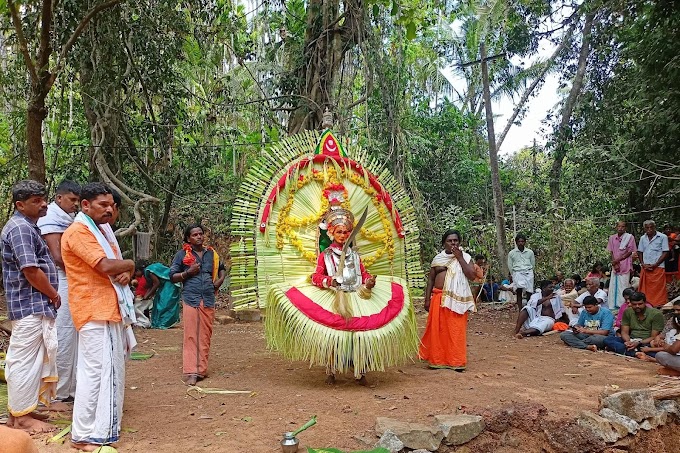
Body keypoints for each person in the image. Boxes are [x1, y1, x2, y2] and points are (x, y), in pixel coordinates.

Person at [265, 208, 418, 384]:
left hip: (357, 296)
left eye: (346, 232)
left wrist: (369, 282)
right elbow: (316, 277)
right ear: (331, 233)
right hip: (335, 297)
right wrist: (330, 282)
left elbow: (363, 273)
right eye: (339, 232)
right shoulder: (326, 255)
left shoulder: (354, 255)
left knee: (360, 333)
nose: (343, 235)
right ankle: (331, 370)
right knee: (334, 333)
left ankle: (361, 370)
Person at [61, 182, 137, 450]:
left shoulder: (101, 231)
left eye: (111, 206)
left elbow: (113, 270)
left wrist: (126, 273)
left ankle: (96, 431)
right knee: (97, 372)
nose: (109, 210)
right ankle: (86, 435)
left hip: (106, 308)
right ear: (85, 205)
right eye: (102, 205)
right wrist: (130, 263)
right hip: (94, 310)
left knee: (105, 371)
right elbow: (105, 265)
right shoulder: (79, 232)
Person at [1, 180, 61, 433]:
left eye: (43, 198)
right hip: (30, 303)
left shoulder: (27, 226)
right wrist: (53, 293)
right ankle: (21, 418)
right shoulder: (20, 229)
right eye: (36, 201)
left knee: (32, 359)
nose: (43, 204)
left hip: (32, 303)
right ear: (20, 204)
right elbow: (30, 270)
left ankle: (21, 411)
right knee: (24, 360)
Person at [36, 180, 81, 403]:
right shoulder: (51, 219)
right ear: (59, 198)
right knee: (63, 333)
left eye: (77, 200)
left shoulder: (70, 220)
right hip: (61, 279)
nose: (75, 204)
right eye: (71, 200)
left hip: (72, 278)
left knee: (74, 334)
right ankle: (60, 391)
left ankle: (71, 388)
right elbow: (58, 257)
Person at [169, 224, 226, 386]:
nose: (199, 237)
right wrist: (188, 273)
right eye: (195, 235)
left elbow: (222, 269)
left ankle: (201, 369)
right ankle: (191, 372)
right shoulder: (182, 255)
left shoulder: (211, 254)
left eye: (201, 234)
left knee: (206, 334)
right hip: (191, 297)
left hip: (208, 297)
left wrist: (219, 282)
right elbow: (172, 276)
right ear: (188, 238)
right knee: (191, 334)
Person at [419, 230, 478, 371]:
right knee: (438, 330)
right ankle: (437, 360)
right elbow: (431, 279)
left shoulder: (466, 257)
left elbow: (471, 275)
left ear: (459, 242)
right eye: (450, 241)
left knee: (455, 329)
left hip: (457, 299)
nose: (453, 243)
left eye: (456, 240)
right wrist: (427, 299)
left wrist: (459, 258)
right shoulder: (437, 259)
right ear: (444, 243)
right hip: (438, 297)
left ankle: (456, 361)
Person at [603, 291, 664, 357]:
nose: (637, 306)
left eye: (640, 304)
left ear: (645, 303)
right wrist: (628, 342)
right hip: (631, 339)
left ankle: (628, 351)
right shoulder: (628, 311)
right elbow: (624, 332)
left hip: (646, 342)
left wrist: (638, 343)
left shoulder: (656, 314)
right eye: (634, 304)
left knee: (656, 353)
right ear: (630, 304)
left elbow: (653, 336)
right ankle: (635, 353)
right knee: (608, 340)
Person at [637, 220, 670, 307]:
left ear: (654, 227)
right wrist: (642, 263)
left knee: (658, 288)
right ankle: (646, 304)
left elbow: (666, 252)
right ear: (644, 228)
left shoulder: (662, 237)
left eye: (651, 227)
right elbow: (639, 252)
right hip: (646, 267)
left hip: (658, 267)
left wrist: (655, 264)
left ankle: (659, 304)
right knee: (646, 289)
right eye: (647, 227)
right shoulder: (642, 238)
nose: (649, 229)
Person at [607, 221, 637, 309]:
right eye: (619, 226)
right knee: (613, 285)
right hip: (615, 265)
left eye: (623, 226)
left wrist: (617, 260)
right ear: (616, 227)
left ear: (625, 228)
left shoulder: (630, 237)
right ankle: (612, 306)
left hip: (625, 264)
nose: (621, 228)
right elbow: (611, 251)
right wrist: (614, 263)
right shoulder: (612, 238)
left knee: (623, 285)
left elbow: (629, 251)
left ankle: (622, 306)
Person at [144, 262, 181, 329]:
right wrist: (147, 295)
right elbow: (152, 286)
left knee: (164, 304)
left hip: (170, 284)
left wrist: (147, 296)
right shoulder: (150, 270)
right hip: (167, 283)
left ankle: (163, 323)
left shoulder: (150, 272)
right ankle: (160, 322)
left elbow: (156, 283)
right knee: (159, 301)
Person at [507, 234, 535, 310]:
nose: (520, 243)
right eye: (519, 241)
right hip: (517, 272)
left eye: (522, 241)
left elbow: (533, 263)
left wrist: (531, 271)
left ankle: (529, 309)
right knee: (519, 291)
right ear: (516, 242)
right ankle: (520, 309)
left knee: (529, 291)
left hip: (528, 272)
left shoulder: (530, 252)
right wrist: (513, 274)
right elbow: (510, 265)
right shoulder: (512, 253)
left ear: (525, 242)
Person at [132, 262, 152, 328]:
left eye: (135, 271)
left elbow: (150, 287)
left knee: (136, 309)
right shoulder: (139, 278)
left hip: (144, 298)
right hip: (140, 297)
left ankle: (145, 323)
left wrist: (146, 296)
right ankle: (143, 321)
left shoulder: (146, 277)